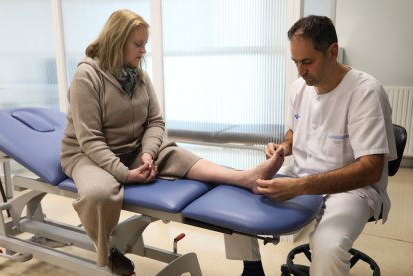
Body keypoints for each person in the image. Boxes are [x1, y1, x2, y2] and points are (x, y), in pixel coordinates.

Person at [59, 9, 283, 275]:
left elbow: (155, 122)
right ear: (117, 41)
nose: (143, 51)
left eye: (145, 44)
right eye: (138, 44)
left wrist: (147, 154)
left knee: (179, 156)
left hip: (132, 149)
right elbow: (90, 139)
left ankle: (246, 177)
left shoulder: (138, 75)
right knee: (99, 193)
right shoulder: (87, 76)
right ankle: (107, 251)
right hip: (87, 154)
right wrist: (124, 174)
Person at [248, 15, 397, 275]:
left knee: (326, 247)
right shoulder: (299, 87)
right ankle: (251, 269)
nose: (300, 70)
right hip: (300, 175)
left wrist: (301, 186)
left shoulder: (365, 92)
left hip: (352, 190)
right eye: (295, 62)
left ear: (332, 52)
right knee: (241, 201)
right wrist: (283, 147)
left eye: (307, 62)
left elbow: (371, 169)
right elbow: (295, 132)